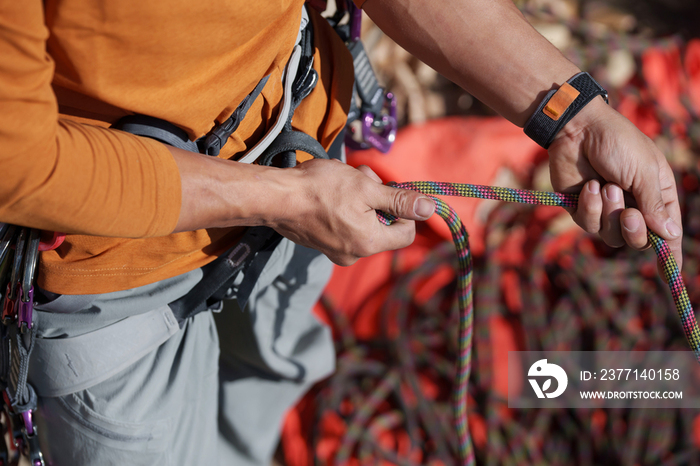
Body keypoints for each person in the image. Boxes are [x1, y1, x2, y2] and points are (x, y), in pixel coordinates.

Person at [0, 0, 683, 464]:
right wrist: (285, 200)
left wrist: (573, 115)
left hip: (297, 164)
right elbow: (18, 161)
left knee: (268, 383)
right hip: (114, 275)